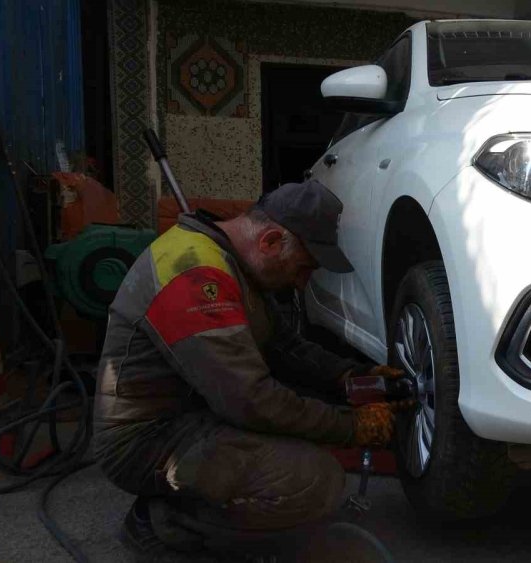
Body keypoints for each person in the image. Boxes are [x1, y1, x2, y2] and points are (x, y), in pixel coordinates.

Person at [93, 180, 404, 559]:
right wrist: (351, 426)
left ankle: (201, 507)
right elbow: (250, 400)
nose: (301, 283)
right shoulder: (195, 274)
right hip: (145, 441)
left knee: (299, 442)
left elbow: (285, 348)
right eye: (304, 268)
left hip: (192, 414)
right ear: (270, 242)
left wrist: (351, 376)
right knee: (313, 481)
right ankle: (161, 522)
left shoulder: (233, 262)